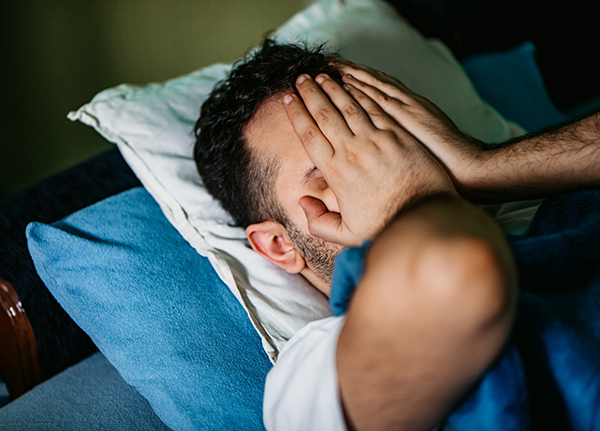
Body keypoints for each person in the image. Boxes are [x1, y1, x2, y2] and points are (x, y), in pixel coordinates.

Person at [194, 40, 600, 430]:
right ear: (279, 245)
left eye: (388, 142)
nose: (391, 165)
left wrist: (486, 165)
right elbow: (458, 274)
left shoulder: (539, 201)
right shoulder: (312, 374)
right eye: (338, 167)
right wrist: (410, 200)